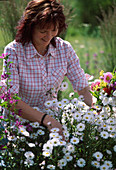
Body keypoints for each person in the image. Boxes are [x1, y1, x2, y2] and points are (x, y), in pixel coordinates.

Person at [0, 0, 92, 138]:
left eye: (54, 30)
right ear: (30, 27)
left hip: (53, 127)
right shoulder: (14, 51)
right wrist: (45, 120)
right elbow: (10, 100)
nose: (49, 36)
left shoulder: (64, 49)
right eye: (43, 31)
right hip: (17, 130)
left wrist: (94, 113)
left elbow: (83, 88)